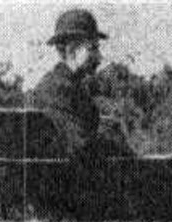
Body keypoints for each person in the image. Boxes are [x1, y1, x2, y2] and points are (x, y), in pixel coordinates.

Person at [29, 8, 130, 158]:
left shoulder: (70, 87)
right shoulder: (55, 90)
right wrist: (115, 142)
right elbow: (81, 147)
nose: (99, 58)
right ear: (71, 50)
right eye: (93, 49)